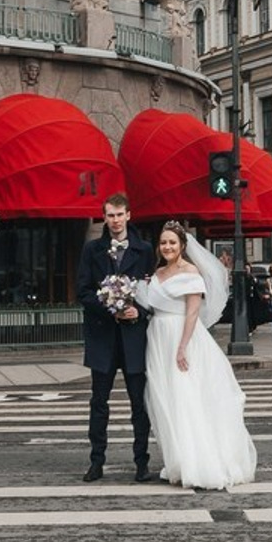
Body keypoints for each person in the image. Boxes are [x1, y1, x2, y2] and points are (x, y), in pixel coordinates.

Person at [139, 221, 256, 489]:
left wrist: (182, 346)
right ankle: (178, 460)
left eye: (172, 242)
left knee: (186, 399)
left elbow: (192, 312)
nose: (167, 247)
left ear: (182, 245)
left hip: (182, 338)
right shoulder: (156, 273)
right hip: (158, 338)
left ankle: (199, 462)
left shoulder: (191, 272)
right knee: (166, 400)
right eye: (163, 242)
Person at [77, 192, 156, 482]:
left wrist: (140, 312)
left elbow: (154, 293)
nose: (115, 220)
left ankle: (141, 464)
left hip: (135, 339)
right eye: (110, 215)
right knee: (98, 402)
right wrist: (111, 309)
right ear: (104, 217)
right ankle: (96, 461)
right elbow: (83, 291)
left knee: (139, 403)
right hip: (102, 337)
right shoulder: (92, 250)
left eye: (119, 214)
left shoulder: (145, 249)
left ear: (128, 215)